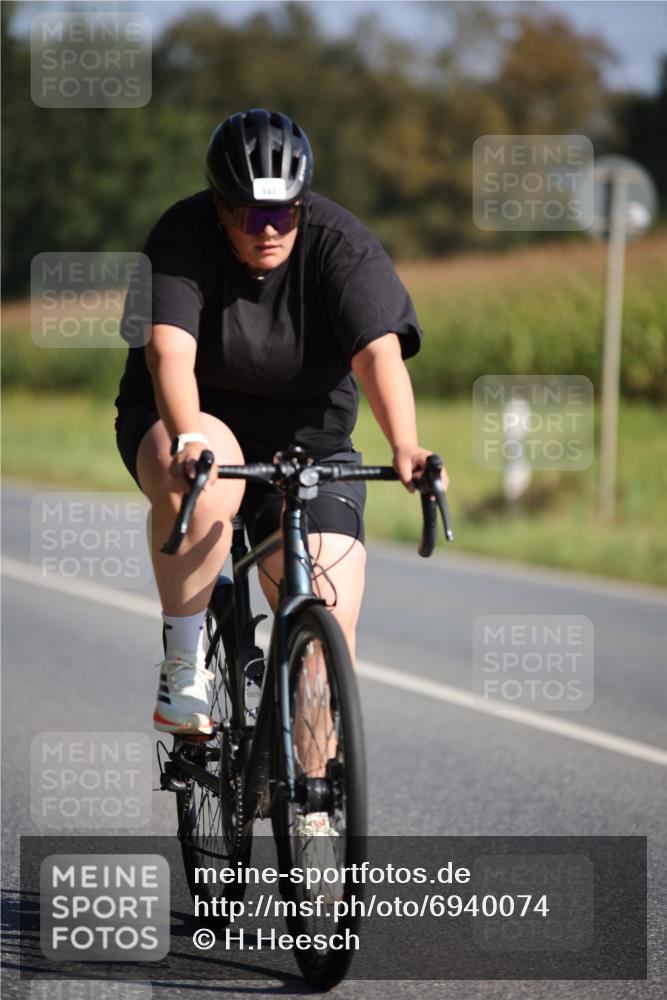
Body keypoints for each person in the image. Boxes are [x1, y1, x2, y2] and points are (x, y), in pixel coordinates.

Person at [115, 107, 449, 759]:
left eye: (284, 213)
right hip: (187, 417)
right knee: (210, 475)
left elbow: (377, 352)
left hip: (306, 441)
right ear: (219, 207)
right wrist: (185, 437)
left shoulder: (338, 241)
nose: (269, 230)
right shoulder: (181, 237)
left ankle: (317, 811)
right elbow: (169, 356)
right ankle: (184, 667)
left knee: (328, 623)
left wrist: (405, 443)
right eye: (250, 214)